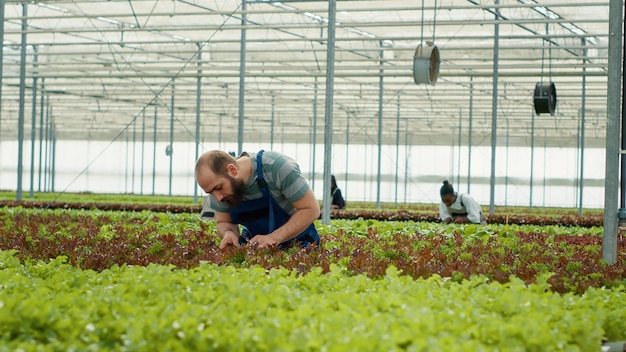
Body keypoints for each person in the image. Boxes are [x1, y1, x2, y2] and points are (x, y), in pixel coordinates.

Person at [195, 149, 321, 249]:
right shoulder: (219, 191)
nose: (218, 197)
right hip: (258, 247)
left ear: (232, 170)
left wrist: (273, 238)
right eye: (210, 192)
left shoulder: (277, 167)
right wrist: (229, 234)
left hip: (300, 244)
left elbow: (311, 209)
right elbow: (224, 222)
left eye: (219, 187)